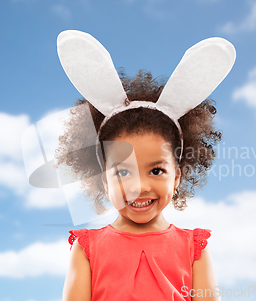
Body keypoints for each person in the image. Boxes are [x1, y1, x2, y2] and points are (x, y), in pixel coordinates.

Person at [55, 30, 235, 301]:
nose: (139, 187)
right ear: (104, 180)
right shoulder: (86, 248)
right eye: (123, 172)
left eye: (156, 170)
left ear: (177, 177)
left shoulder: (194, 249)